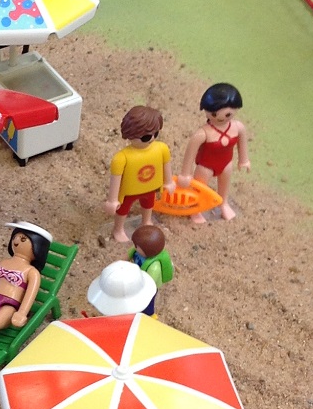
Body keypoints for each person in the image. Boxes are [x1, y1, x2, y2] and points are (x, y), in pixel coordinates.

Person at [178, 83, 249, 223]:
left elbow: (242, 144)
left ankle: (223, 204)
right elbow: (190, 153)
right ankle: (195, 209)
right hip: (205, 166)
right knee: (199, 189)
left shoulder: (238, 127)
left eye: (228, 114)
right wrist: (185, 174)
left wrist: (244, 160)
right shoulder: (203, 133)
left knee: (224, 186)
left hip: (226, 164)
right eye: (214, 114)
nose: (221, 118)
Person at [105, 105, 174, 242]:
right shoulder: (121, 158)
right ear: (130, 134)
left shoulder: (162, 149)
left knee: (148, 204)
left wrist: (169, 181)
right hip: (129, 191)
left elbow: (166, 165)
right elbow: (116, 179)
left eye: (156, 134)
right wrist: (112, 200)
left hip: (151, 187)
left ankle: (146, 221)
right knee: (123, 210)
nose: (152, 138)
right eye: (146, 136)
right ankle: (118, 229)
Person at [128, 223, 173, 317]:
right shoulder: (137, 251)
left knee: (148, 302)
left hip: (148, 286)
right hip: (137, 277)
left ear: (147, 250)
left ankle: (150, 315)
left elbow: (148, 284)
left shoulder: (154, 267)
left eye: (137, 246)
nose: (134, 247)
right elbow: (126, 257)